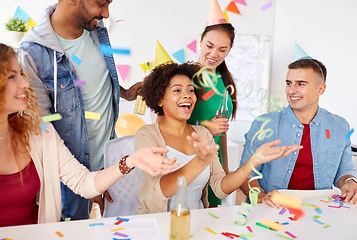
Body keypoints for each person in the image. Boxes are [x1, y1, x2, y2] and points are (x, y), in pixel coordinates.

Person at [0, 42, 178, 227]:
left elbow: (83, 182)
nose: (25, 83)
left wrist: (131, 161)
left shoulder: (39, 132)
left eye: (21, 73)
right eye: (12, 76)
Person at [18, 1, 141, 220]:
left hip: (108, 161)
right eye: (101, 3)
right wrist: (86, 182)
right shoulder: (33, 54)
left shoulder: (96, 30)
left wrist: (126, 93)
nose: (106, 13)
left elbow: (92, 80)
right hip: (69, 177)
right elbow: (43, 129)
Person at [134, 62, 301, 214]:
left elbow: (220, 188)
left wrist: (254, 161)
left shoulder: (203, 134)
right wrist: (199, 161)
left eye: (191, 90)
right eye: (177, 90)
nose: (187, 95)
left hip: (197, 220)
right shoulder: (147, 134)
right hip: (157, 222)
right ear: (159, 98)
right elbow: (160, 189)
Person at [239, 58, 357, 207]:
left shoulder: (340, 126)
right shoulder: (264, 124)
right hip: (273, 210)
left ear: (320, 89)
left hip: (319, 211)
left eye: (300, 84)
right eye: (289, 83)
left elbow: (344, 171)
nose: (291, 90)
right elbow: (245, 176)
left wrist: (349, 182)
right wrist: (262, 197)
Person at [187, 0, 237, 206]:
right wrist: (208, 126)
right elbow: (167, 125)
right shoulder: (185, 78)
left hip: (214, 165)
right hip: (189, 161)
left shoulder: (225, 81)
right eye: (209, 46)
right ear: (200, 41)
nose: (214, 54)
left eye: (223, 49)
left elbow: (222, 132)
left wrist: (224, 171)